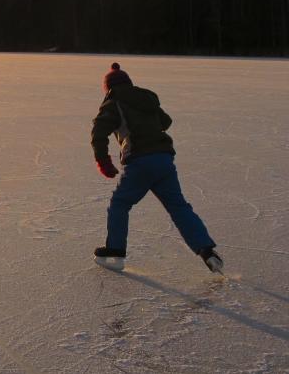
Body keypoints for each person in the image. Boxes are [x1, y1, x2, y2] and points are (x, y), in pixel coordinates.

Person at [91, 63, 223, 273]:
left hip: (140, 162)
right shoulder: (146, 99)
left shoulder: (113, 102)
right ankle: (207, 251)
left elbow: (98, 132)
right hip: (164, 160)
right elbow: (166, 121)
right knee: (179, 207)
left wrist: (103, 161)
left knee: (120, 203)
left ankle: (115, 250)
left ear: (108, 87)